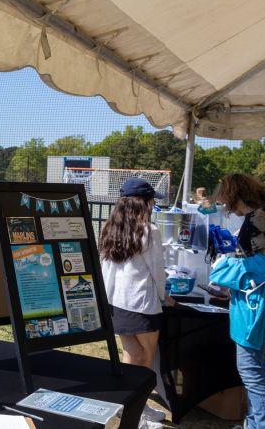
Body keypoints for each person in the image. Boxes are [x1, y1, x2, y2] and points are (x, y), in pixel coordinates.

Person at [100, 178, 173, 426]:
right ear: (144, 202)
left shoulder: (110, 227)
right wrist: (164, 297)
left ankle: (132, 406)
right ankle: (137, 411)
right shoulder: (149, 230)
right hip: (141, 303)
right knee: (146, 361)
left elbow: (105, 266)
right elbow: (157, 270)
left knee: (131, 355)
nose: (153, 205)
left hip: (116, 302)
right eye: (152, 200)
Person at [209, 174, 265, 429]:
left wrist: (225, 266)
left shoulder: (256, 220)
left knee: (253, 376)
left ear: (233, 196)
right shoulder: (257, 217)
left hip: (253, 314)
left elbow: (257, 266)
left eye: (225, 201)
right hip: (253, 310)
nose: (227, 208)